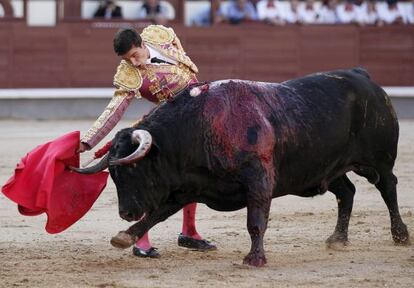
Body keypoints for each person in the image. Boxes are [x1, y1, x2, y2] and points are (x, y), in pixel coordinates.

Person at [78, 25, 216, 258]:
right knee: (149, 180)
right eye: (128, 59)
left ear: (142, 44)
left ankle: (189, 232)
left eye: (135, 55)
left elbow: (182, 56)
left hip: (195, 119)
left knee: (194, 176)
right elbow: (114, 111)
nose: (134, 63)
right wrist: (87, 142)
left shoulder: (159, 35)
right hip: (167, 126)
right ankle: (141, 239)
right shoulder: (128, 74)